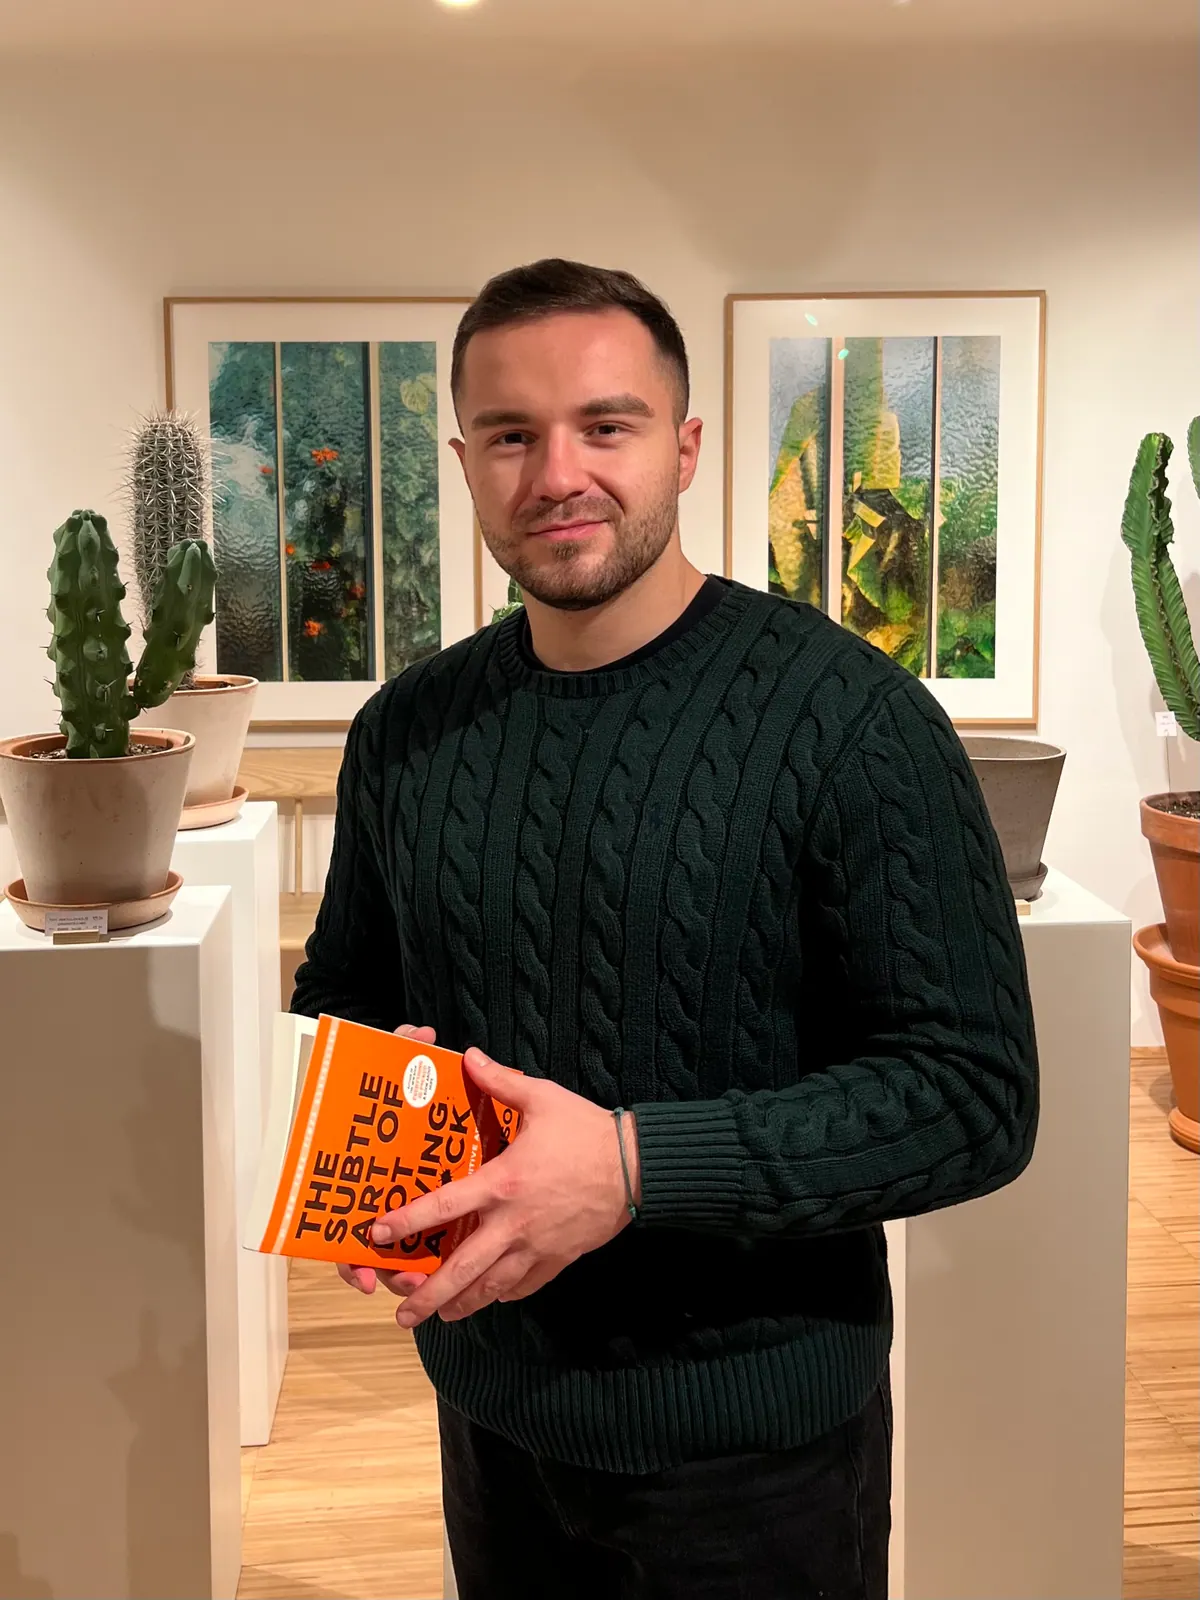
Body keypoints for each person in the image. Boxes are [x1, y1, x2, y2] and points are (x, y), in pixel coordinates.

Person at [291, 258, 1039, 1600]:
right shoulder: (406, 730)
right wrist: (361, 1154)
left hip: (758, 1449)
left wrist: (634, 1166)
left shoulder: (852, 723)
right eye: (512, 435)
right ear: (464, 459)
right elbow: (343, 996)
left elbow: (971, 1095)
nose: (555, 472)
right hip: (492, 1406)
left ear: (686, 447)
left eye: (606, 425)